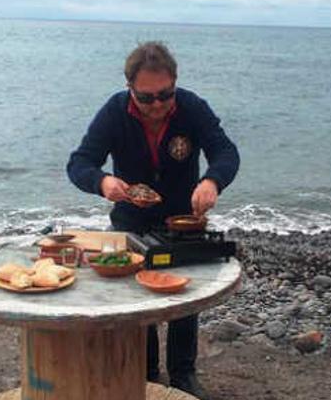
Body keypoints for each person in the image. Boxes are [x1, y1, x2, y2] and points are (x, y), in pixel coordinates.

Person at [67, 41, 240, 399]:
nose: (157, 105)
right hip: (131, 220)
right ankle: (144, 374)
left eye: (165, 95)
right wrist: (102, 182)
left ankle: (183, 375)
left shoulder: (191, 108)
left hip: (182, 221)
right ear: (130, 87)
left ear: (175, 82)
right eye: (147, 98)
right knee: (137, 299)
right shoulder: (114, 112)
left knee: (183, 294)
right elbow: (79, 163)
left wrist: (212, 181)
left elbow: (225, 152)